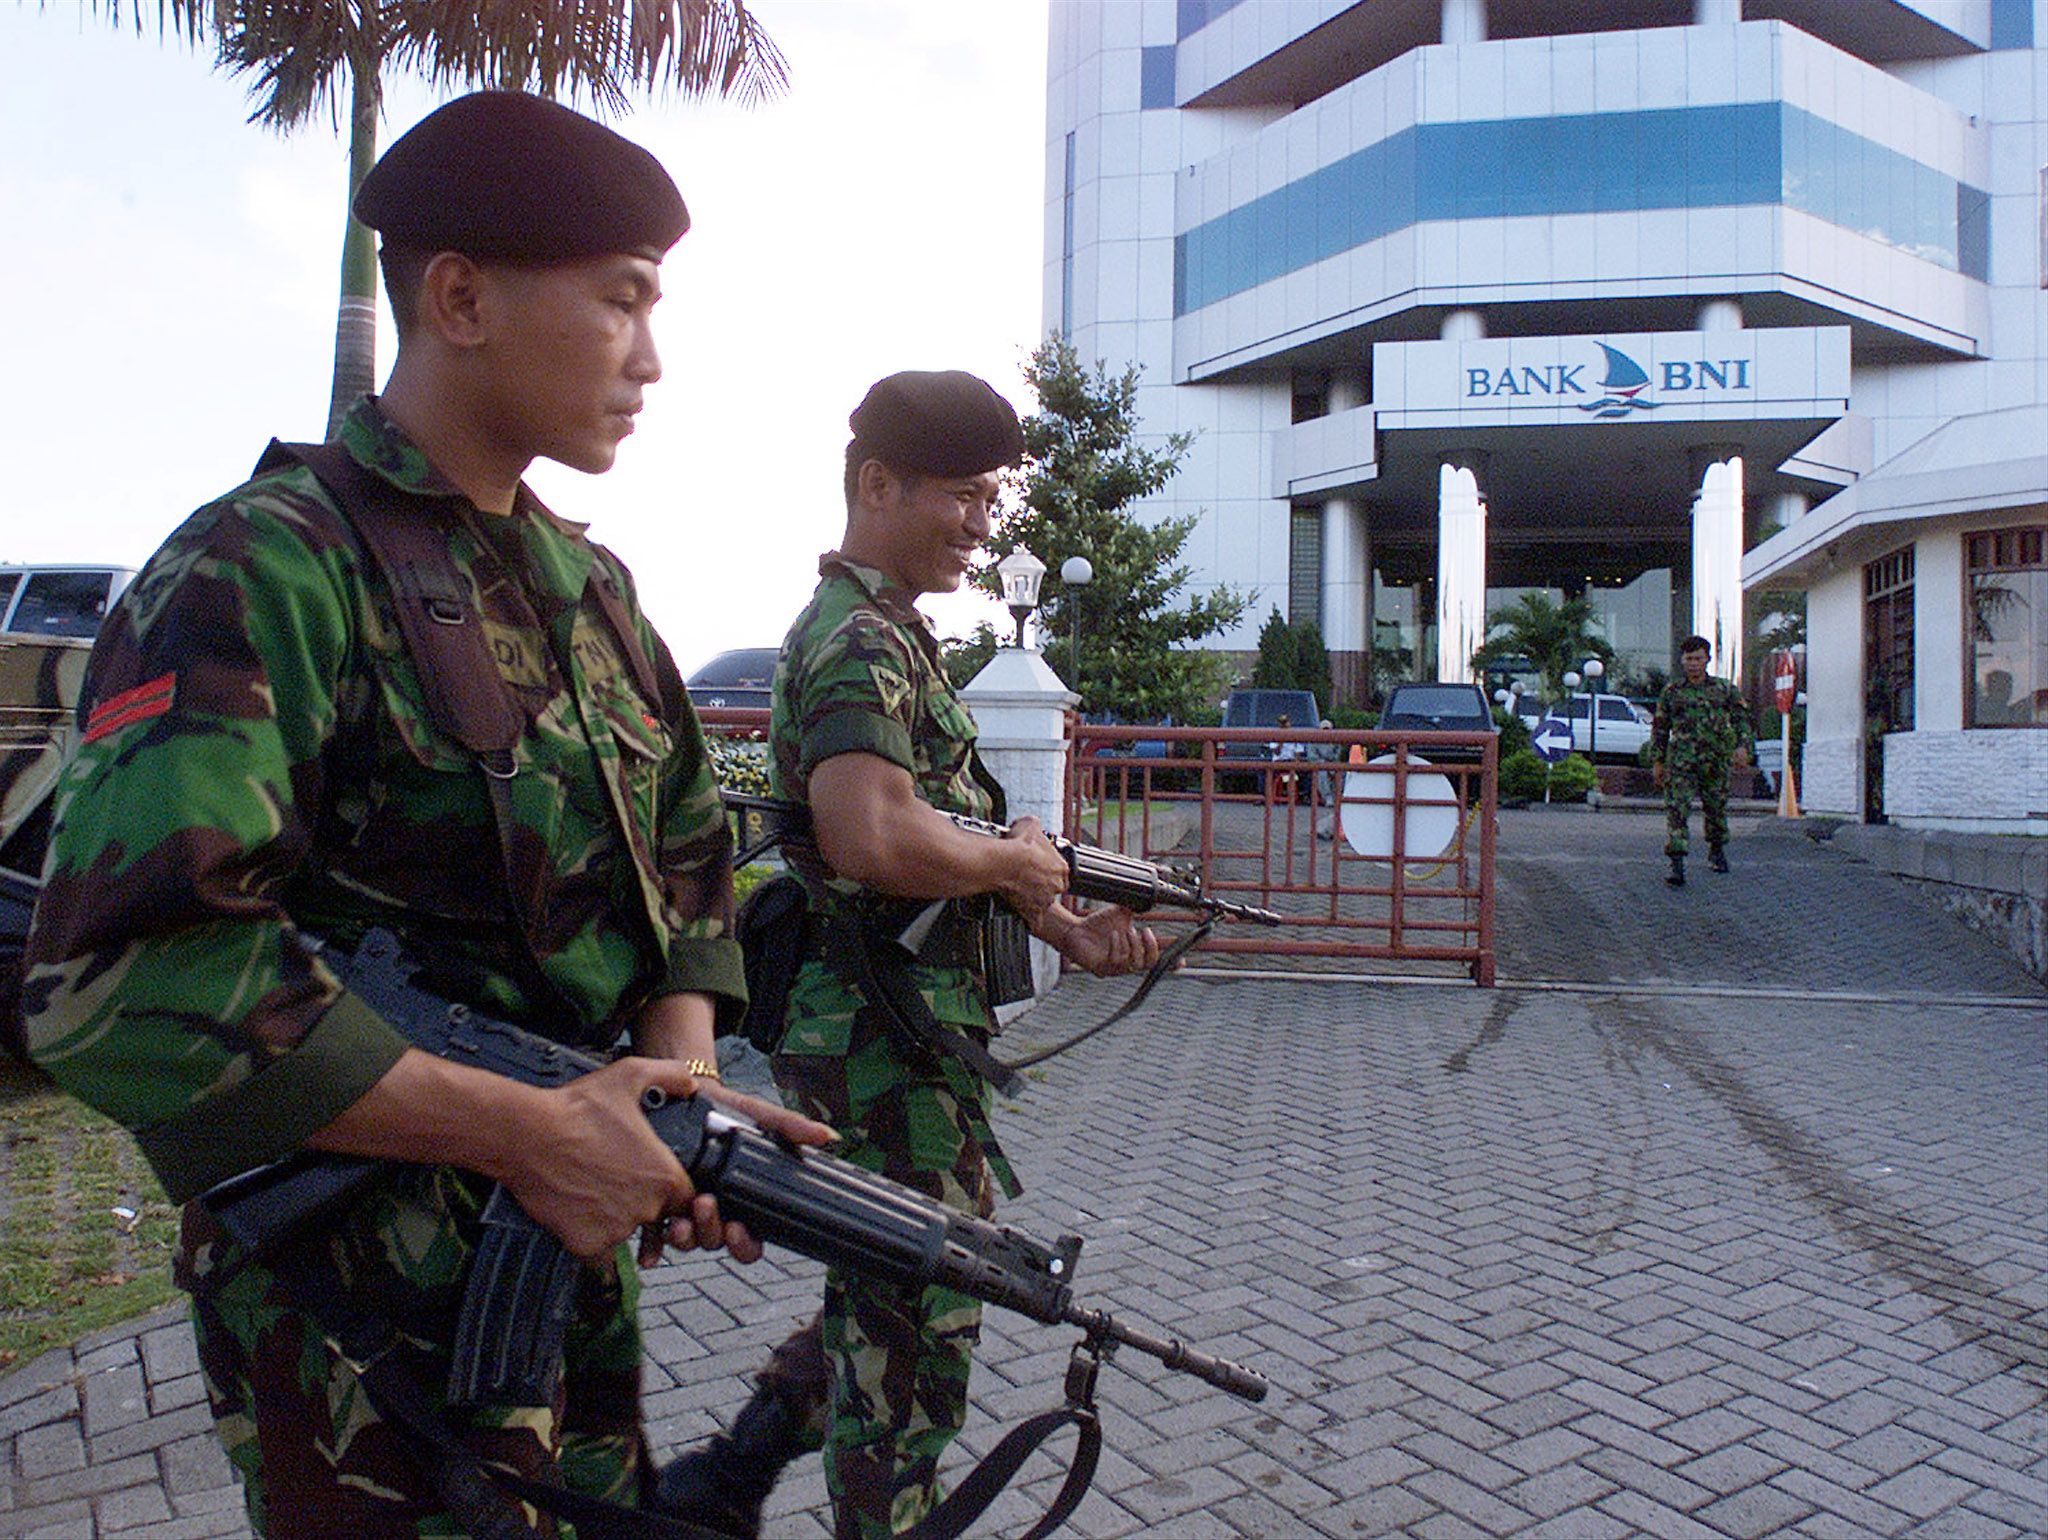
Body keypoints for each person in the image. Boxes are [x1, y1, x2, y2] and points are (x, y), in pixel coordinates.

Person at [19, 91, 831, 1537]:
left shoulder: (594, 593)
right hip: (356, 1309)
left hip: (562, 1254)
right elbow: (124, 981)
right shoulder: (261, 568)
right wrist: (527, 1130)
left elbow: (692, 856)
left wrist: (676, 1096)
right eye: (621, 301)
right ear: (458, 296)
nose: (653, 358)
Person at [656, 370, 1162, 1540]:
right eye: (966, 497)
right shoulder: (854, 643)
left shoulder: (894, 637)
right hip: (876, 1035)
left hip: (899, 1027)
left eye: (993, 501)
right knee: (918, 1315)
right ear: (877, 484)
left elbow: (953, 834)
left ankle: (732, 1471)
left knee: (889, 1282)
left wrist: (1060, 920)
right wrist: (1016, 871)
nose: (984, 526)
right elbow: (871, 832)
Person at [1650, 634, 1755, 886]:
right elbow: (1660, 728)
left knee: (1716, 808)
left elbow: (1742, 719)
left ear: (1707, 659)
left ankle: (1717, 849)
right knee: (1677, 810)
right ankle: (1677, 862)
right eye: (1688, 659)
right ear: (1682, 661)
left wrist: (1742, 746)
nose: (1693, 663)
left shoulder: (1723, 689)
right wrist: (1658, 761)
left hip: (1715, 760)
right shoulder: (1672, 692)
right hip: (1682, 762)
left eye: (1698, 658)